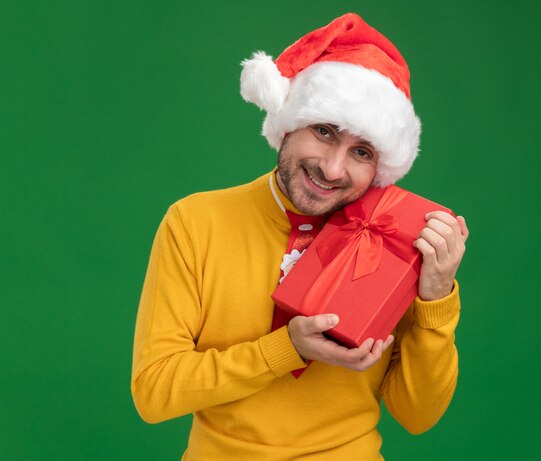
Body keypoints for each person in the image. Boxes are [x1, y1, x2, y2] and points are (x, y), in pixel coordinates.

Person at [131, 13, 469, 460]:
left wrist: (435, 300)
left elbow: (417, 415)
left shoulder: (393, 239)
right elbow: (154, 393)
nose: (332, 169)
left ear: (380, 168)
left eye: (361, 152)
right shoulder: (194, 222)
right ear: (288, 124)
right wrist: (283, 349)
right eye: (324, 131)